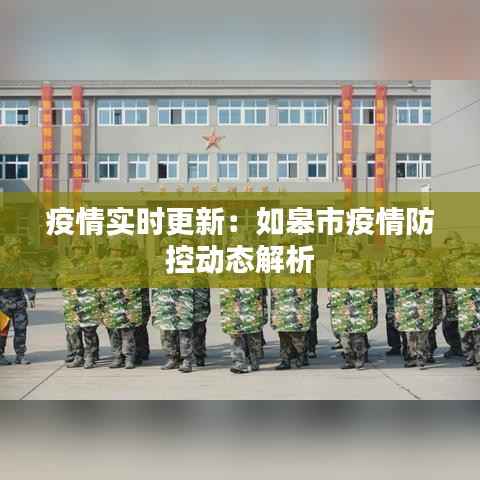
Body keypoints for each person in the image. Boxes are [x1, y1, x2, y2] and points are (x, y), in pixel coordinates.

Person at [99, 236, 149, 370]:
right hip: (110, 303)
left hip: (127, 303)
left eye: (118, 250)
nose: (115, 253)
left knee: (128, 333)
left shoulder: (133, 263)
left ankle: (129, 357)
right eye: (113, 250)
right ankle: (117, 356)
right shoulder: (104, 264)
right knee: (114, 332)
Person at [328, 237, 377, 369]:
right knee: (344, 335)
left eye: (349, 251)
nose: (346, 254)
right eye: (344, 252)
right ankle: (349, 359)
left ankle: (360, 357)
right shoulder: (334, 265)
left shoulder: (363, 265)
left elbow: (371, 283)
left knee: (357, 334)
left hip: (358, 304)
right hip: (341, 305)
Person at [58, 236, 101, 369]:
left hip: (88, 302)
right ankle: (78, 356)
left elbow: (97, 280)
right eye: (76, 249)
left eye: (81, 249)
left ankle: (90, 356)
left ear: (86, 250)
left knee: (89, 331)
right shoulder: (67, 263)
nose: (78, 251)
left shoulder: (94, 263)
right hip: (72, 302)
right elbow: (59, 281)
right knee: (73, 331)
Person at [393, 238, 435, 368]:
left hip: (421, 301)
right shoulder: (397, 264)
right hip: (405, 302)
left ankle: (422, 357)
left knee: (422, 332)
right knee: (409, 332)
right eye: (406, 251)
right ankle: (412, 356)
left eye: (412, 251)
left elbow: (430, 279)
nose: (409, 254)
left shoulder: (425, 263)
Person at [0, 235, 36, 365]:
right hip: (2, 302)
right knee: (2, 330)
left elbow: (28, 280)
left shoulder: (22, 264)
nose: (19, 250)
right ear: (9, 249)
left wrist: (31, 296)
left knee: (21, 329)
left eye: (20, 248)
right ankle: (0, 355)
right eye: (16, 248)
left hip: (18, 301)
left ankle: (20, 355)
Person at [220, 287, 267, 373]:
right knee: (235, 331)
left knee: (253, 331)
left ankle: (254, 360)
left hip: (252, 295)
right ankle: (239, 363)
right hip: (233, 296)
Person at [450, 242, 480, 368]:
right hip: (466, 303)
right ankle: (471, 358)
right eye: (467, 254)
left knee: (472, 333)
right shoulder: (459, 265)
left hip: (472, 303)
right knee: (468, 333)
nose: (469, 257)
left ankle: (474, 358)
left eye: (472, 254)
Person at [436, 232, 464, 358]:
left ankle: (470, 348)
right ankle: (455, 347)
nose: (450, 246)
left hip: (468, 296)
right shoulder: (443, 260)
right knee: (450, 323)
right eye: (448, 243)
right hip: (450, 296)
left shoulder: (467, 258)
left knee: (471, 323)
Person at [382, 237, 407, 357]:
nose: (394, 251)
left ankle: (407, 345)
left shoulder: (406, 261)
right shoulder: (386, 260)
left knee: (405, 318)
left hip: (403, 296)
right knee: (391, 318)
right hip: (390, 295)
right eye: (392, 249)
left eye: (396, 249)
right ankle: (395, 346)